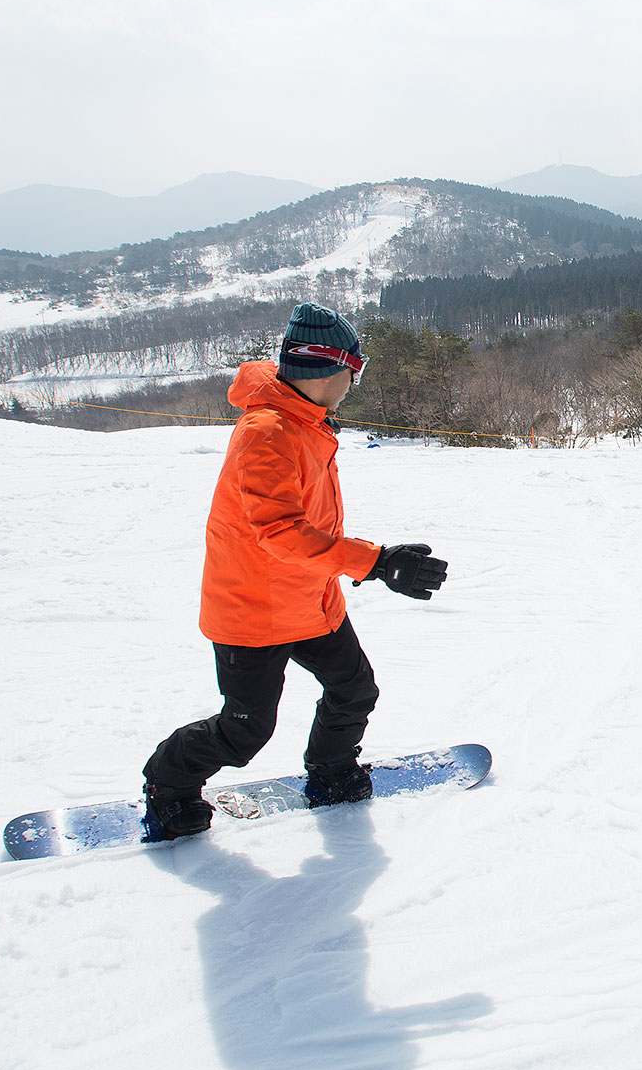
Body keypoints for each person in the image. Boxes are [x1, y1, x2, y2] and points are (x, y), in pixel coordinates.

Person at [140, 303, 449, 838]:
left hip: (311, 600)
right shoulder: (267, 431)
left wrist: (367, 562)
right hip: (252, 610)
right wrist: (375, 562)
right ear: (329, 369)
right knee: (244, 730)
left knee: (354, 691)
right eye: (355, 369)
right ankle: (168, 788)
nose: (355, 381)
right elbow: (280, 532)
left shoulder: (304, 419)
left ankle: (330, 771)